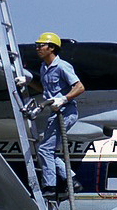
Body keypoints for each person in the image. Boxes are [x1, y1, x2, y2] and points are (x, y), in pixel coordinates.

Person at [30, 32, 84, 199]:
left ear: (51, 48)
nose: (38, 48)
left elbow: (80, 87)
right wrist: (28, 81)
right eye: (37, 45)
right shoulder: (44, 67)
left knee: (45, 149)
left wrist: (64, 99)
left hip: (65, 111)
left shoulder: (62, 66)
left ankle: (49, 187)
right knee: (48, 151)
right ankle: (73, 180)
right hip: (55, 113)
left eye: (41, 45)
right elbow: (45, 90)